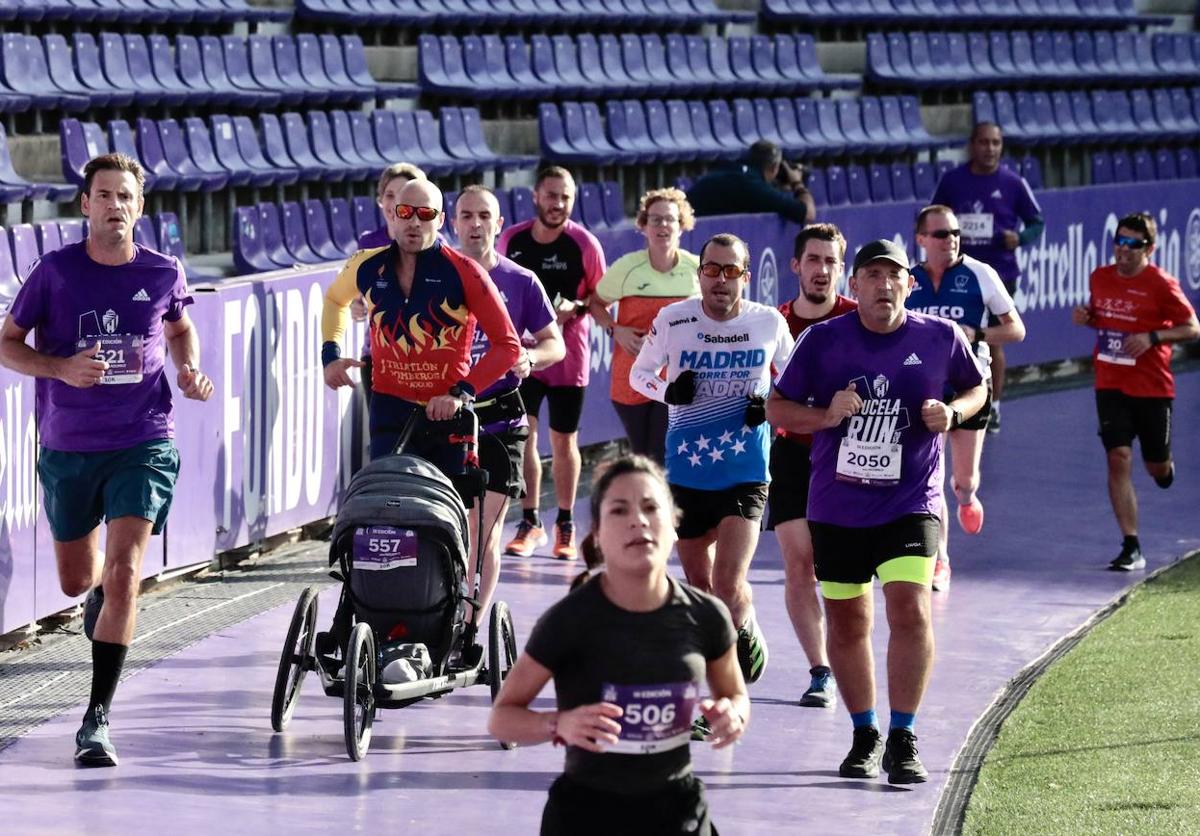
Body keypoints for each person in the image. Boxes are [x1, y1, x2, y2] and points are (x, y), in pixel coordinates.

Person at [0, 153, 214, 766]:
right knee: (79, 581)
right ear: (85, 205)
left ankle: (96, 718)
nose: (115, 206)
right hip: (69, 443)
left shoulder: (163, 270)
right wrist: (61, 367)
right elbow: (8, 346)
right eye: (104, 195)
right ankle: (95, 604)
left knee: (123, 572)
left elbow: (176, 329)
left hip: (144, 437)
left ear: (139, 206)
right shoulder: (56, 273)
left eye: (126, 196)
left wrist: (189, 367)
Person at [767, 239, 986, 784]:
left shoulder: (940, 336)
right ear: (855, 285)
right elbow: (776, 406)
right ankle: (865, 732)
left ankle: (904, 735)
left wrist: (952, 412)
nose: (884, 286)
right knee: (848, 620)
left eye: (894, 277)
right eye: (873, 276)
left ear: (908, 285)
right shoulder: (821, 341)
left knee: (909, 609)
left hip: (910, 501)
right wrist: (824, 415)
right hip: (838, 506)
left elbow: (978, 388)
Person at [488, 455, 748, 836]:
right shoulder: (569, 620)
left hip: (677, 815)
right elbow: (502, 719)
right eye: (619, 510)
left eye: (650, 507)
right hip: (586, 815)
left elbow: (736, 694)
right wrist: (558, 723)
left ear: (674, 523)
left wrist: (733, 714)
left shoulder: (707, 615)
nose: (637, 520)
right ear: (597, 534)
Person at [630, 233, 794, 686]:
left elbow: (796, 380)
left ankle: (718, 685)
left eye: (731, 272)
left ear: (745, 276)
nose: (720, 280)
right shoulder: (673, 320)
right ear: (698, 272)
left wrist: (771, 403)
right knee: (700, 589)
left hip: (745, 471)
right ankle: (737, 633)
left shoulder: (768, 324)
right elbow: (638, 374)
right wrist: (668, 392)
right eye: (712, 270)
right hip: (687, 470)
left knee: (727, 583)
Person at [321, 177, 521, 461]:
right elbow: (334, 300)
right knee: (389, 499)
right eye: (406, 212)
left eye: (425, 214)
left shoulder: (466, 272)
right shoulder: (366, 264)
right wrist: (330, 355)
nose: (414, 222)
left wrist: (461, 393)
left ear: (440, 221)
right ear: (393, 214)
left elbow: (508, 345)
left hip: (446, 411)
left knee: (446, 504)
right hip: (389, 408)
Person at [452, 184, 565, 621]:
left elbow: (555, 345)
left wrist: (529, 357)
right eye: (467, 216)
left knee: (484, 530)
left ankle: (468, 626)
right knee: (448, 526)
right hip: (445, 418)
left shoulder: (520, 281)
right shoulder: (435, 276)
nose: (476, 224)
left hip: (500, 418)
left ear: (499, 225)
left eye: (485, 216)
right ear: (452, 222)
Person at [908, 205, 1026, 591]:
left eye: (955, 232)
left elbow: (1016, 330)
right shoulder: (908, 280)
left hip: (970, 387)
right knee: (931, 477)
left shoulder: (980, 274)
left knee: (962, 480)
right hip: (925, 388)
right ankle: (941, 559)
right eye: (941, 234)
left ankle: (969, 496)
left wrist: (975, 334)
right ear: (921, 239)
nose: (951, 240)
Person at [1071, 213, 1198, 571]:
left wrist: (1153, 337)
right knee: (1119, 457)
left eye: (1133, 244)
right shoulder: (1100, 277)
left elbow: (1192, 327)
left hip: (1153, 386)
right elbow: (1101, 317)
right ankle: (1131, 544)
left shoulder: (1162, 284)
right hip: (1110, 381)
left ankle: (1164, 468)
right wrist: (1087, 317)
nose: (1123, 250)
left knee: (1155, 465)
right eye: (1119, 241)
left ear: (1149, 249)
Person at [766, 224, 857, 709]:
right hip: (792, 454)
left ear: (842, 270)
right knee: (799, 564)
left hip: (847, 459)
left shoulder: (857, 319)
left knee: (839, 567)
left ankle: (850, 657)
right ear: (796, 266)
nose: (822, 271)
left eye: (831, 262)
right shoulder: (773, 323)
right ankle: (820, 670)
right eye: (814, 260)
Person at [498, 166, 607, 560]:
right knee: (523, 436)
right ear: (536, 197)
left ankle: (565, 521)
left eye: (565, 197)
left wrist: (576, 307)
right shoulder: (513, 239)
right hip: (522, 354)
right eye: (551, 196)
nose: (558, 204)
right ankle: (530, 522)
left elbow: (600, 297)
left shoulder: (585, 244)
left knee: (564, 441)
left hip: (567, 356)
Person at [931, 122, 1043, 432]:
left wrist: (1019, 238)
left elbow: (1037, 221)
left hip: (1000, 273)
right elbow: (933, 215)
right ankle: (950, 402)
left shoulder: (1012, 182)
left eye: (996, 143)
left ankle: (992, 406)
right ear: (972, 145)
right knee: (954, 338)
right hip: (958, 272)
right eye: (984, 142)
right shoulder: (953, 181)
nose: (990, 148)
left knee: (991, 342)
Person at [588, 188, 700, 463]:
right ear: (644, 226)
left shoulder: (696, 268)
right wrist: (616, 329)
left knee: (662, 453)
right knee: (642, 454)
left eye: (670, 219)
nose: (663, 226)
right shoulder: (627, 267)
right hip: (632, 377)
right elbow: (595, 303)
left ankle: (666, 505)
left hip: (676, 375)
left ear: (682, 224)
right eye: (656, 219)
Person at [353, 162, 428, 408]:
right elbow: (353, 292)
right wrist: (355, 304)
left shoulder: (437, 244)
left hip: (426, 360)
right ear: (380, 201)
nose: (396, 202)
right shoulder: (368, 242)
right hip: (377, 357)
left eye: (405, 195)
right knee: (384, 442)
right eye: (390, 195)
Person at [686, 140, 815, 225]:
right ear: (774, 167)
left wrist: (777, 187)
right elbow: (808, 214)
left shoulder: (729, 169)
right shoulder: (755, 186)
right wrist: (797, 183)